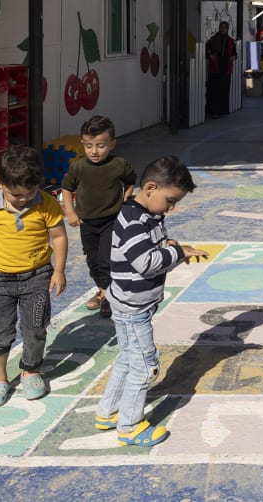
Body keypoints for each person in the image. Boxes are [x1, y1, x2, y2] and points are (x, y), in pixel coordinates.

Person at [94, 156, 209, 447]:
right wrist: (178, 254)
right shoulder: (133, 220)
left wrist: (173, 248)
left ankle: (107, 412)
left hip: (131, 301)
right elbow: (145, 262)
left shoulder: (147, 216)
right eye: (169, 201)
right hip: (133, 307)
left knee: (127, 356)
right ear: (149, 188)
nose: (172, 209)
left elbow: (155, 248)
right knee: (146, 367)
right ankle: (130, 427)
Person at [0, 146, 68, 407]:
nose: (23, 199)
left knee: (35, 327)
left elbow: (59, 236)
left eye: (29, 193)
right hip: (0, 281)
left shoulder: (46, 203)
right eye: (15, 194)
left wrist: (59, 270)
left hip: (38, 278)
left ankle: (30, 371)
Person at [60, 115, 136, 317]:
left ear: (112, 144)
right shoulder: (78, 167)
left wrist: (126, 196)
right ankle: (103, 289)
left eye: (101, 146)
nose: (94, 151)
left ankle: (108, 297)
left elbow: (130, 181)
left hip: (112, 221)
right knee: (92, 261)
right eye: (89, 146)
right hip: (87, 222)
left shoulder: (119, 164)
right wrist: (70, 211)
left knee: (105, 260)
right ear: (83, 144)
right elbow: (66, 188)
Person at [205, 21, 237, 116]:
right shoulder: (213, 40)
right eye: (221, 27)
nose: (223, 29)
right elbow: (208, 50)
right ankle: (214, 111)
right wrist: (210, 55)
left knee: (224, 89)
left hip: (226, 68)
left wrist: (233, 57)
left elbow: (235, 53)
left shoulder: (230, 41)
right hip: (215, 68)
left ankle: (222, 110)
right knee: (214, 90)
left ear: (227, 29)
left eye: (225, 28)